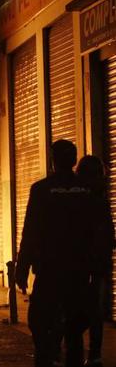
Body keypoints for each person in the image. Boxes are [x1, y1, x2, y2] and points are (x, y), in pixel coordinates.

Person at [15, 140, 95, 367]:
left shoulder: (41, 189)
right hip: (78, 272)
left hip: (49, 271)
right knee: (75, 329)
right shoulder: (88, 190)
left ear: (53, 160)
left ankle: (46, 358)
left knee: (40, 323)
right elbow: (97, 229)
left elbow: (30, 232)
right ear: (73, 160)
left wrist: (22, 268)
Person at [76, 155, 115, 367]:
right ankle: (94, 354)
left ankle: (92, 353)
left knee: (91, 310)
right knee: (93, 310)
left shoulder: (87, 198)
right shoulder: (93, 200)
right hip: (92, 263)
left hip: (91, 263)